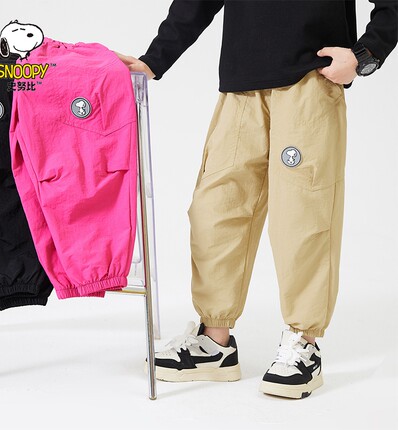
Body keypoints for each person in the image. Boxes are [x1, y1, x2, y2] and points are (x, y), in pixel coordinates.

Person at [115, 0, 398, 399]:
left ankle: (303, 342)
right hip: (241, 85)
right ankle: (214, 342)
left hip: (309, 80)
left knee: (302, 216)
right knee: (215, 210)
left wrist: (365, 54)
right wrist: (154, 59)